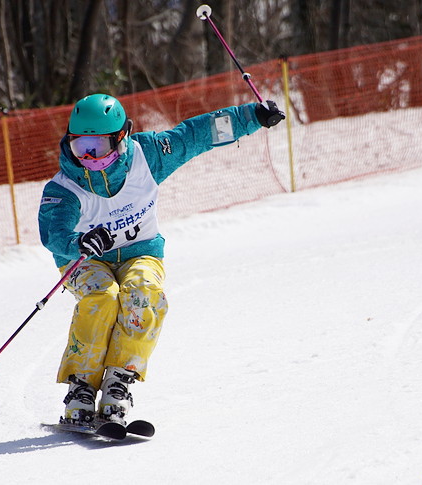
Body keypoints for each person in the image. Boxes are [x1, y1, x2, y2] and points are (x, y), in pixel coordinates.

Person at [38, 93, 284, 425]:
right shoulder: (65, 186)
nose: (89, 156)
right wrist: (78, 241)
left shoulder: (148, 155)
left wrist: (252, 115)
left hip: (142, 251)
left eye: (98, 145)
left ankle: (119, 382)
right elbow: (52, 233)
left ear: (121, 136)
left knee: (143, 294)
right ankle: (81, 386)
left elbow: (197, 135)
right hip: (83, 260)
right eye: (81, 146)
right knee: (103, 297)